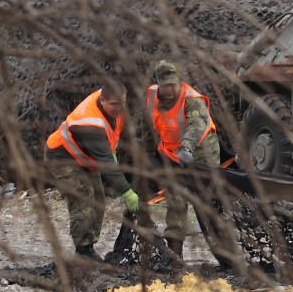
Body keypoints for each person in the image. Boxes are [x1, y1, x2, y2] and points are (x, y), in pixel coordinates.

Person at [44, 80, 140, 261]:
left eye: (123, 103)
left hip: (85, 156)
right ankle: (82, 252)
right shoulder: (90, 124)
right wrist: (127, 192)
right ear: (102, 100)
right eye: (114, 105)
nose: (119, 108)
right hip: (63, 156)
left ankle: (88, 249)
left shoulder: (114, 104)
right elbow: (105, 164)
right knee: (84, 198)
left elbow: (110, 141)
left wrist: (112, 155)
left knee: (98, 199)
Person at [146, 60, 221, 258]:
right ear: (158, 83)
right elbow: (148, 123)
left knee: (207, 202)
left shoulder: (192, 99)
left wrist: (186, 147)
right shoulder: (152, 96)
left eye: (173, 84)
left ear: (180, 81)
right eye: (166, 85)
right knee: (175, 200)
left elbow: (196, 125)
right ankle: (175, 253)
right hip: (173, 155)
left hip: (202, 154)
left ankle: (224, 252)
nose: (170, 89)